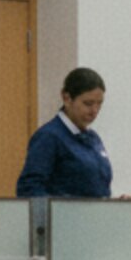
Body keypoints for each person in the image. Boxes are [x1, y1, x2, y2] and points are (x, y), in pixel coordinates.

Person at [16, 67, 115, 198]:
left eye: (99, 104)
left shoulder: (93, 138)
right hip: (65, 217)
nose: (94, 111)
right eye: (88, 103)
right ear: (67, 98)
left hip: (94, 217)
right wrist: (63, 208)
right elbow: (29, 189)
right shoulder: (49, 137)